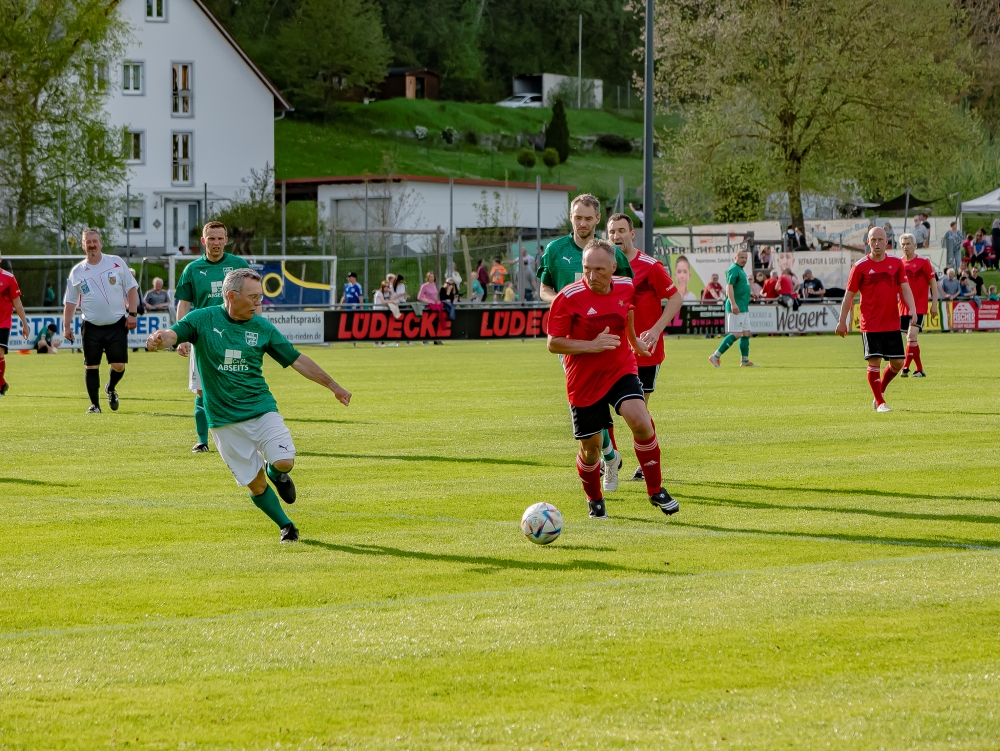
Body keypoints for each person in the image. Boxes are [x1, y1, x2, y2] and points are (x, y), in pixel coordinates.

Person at [146, 269, 352, 544]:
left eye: (261, 298)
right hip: (224, 421)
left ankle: (275, 473)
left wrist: (334, 386)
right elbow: (174, 334)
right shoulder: (202, 319)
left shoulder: (262, 327)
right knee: (255, 485)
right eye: (254, 297)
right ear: (231, 296)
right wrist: (159, 340)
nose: (259, 303)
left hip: (260, 408)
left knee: (284, 461)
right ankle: (287, 526)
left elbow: (297, 359)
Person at [546, 238, 678, 520]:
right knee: (591, 451)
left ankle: (655, 490)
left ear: (614, 267)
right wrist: (591, 345)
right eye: (586, 269)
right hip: (583, 380)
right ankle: (595, 499)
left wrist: (633, 342)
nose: (592, 276)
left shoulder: (625, 286)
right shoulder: (567, 298)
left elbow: (627, 313)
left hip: (620, 367)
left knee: (641, 421)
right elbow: (554, 343)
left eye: (599, 270)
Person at [536, 194, 636, 493]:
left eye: (588, 218)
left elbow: (627, 295)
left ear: (596, 220)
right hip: (573, 340)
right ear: (571, 217)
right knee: (586, 404)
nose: (582, 222)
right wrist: (563, 303)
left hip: (608, 342)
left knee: (610, 400)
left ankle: (609, 463)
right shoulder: (555, 250)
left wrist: (633, 339)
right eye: (577, 217)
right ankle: (609, 456)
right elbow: (544, 288)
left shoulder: (609, 253)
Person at [607, 212, 683, 482]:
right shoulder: (606, 267)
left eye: (621, 231)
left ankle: (645, 463)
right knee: (599, 408)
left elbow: (675, 298)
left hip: (645, 352)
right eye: (612, 232)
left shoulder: (650, 266)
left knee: (639, 411)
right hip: (614, 349)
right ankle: (610, 457)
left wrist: (656, 328)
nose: (616, 236)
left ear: (632, 233)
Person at [174, 221, 252, 452]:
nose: (216, 243)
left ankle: (240, 439)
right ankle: (202, 441)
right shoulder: (193, 269)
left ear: (226, 240)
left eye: (220, 238)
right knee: (201, 390)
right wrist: (181, 336)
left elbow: (253, 298)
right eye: (211, 238)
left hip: (234, 335)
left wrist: (255, 327)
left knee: (236, 386)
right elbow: (184, 304)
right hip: (203, 337)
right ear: (203, 241)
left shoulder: (239, 266)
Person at [836, 226, 917, 413]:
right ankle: (880, 403)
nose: (877, 243)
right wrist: (842, 320)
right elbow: (849, 296)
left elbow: (905, 288)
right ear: (868, 242)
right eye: (873, 240)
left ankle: (878, 392)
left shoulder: (896, 264)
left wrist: (912, 308)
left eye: (881, 240)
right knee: (874, 361)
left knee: (897, 363)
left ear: (887, 242)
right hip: (870, 322)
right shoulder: (859, 266)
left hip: (891, 322)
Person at [62, 229, 139, 413]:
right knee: (91, 366)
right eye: (88, 242)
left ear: (101, 243)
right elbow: (71, 301)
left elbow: (131, 288)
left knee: (119, 366)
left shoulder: (116, 262)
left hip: (116, 324)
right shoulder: (77, 271)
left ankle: (111, 388)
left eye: (94, 241)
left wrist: (133, 314)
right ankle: (95, 405)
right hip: (91, 325)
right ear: (83, 245)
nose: (92, 245)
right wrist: (66, 326)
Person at [897, 232, 939, 379]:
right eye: (903, 244)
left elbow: (933, 284)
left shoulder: (924, 262)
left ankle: (905, 367)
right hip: (903, 307)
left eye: (908, 244)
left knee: (911, 335)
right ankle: (919, 369)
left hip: (920, 306)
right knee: (912, 339)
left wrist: (934, 304)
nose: (905, 246)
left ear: (915, 245)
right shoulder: (899, 263)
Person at [709, 248, 756, 368]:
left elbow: (739, 287)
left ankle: (744, 361)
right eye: (741, 257)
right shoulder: (733, 269)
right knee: (737, 333)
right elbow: (729, 287)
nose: (744, 260)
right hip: (737, 306)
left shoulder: (740, 270)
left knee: (746, 333)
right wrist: (733, 303)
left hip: (743, 307)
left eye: (745, 258)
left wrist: (750, 294)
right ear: (735, 258)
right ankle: (715, 356)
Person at [0, 255, 30, 395]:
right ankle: (2, 383)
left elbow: (17, 304)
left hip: (3, 322)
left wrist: (25, 324)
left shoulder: (9, 278)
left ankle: (0, 387)